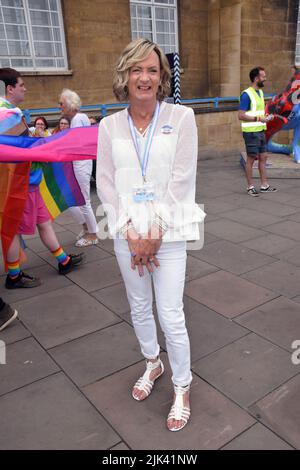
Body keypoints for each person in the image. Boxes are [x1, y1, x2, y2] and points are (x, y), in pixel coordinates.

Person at [97, 39, 205, 432]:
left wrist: (155, 233)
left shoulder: (181, 117)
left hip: (169, 233)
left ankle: (182, 385)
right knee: (139, 307)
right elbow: (106, 185)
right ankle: (152, 363)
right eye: (136, 70)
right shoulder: (108, 125)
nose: (144, 77)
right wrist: (130, 233)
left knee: (170, 313)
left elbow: (182, 179)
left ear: (161, 79)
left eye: (152, 70)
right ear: (124, 76)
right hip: (127, 235)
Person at [0, 68, 84, 289]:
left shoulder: (8, 112)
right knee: (13, 230)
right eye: (21, 85)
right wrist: (55, 145)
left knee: (44, 223)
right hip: (20, 186)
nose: (25, 89)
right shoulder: (7, 114)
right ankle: (14, 275)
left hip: (27, 183)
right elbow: (26, 149)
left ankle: (63, 260)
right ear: (9, 88)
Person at [59, 89, 98, 247]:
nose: (60, 107)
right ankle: (86, 227)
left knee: (83, 200)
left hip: (81, 164)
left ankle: (93, 234)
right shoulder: (79, 118)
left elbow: (76, 144)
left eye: (61, 104)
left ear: (69, 104)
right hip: (79, 163)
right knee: (77, 200)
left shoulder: (78, 118)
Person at [238, 66, 277, 196]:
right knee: (251, 159)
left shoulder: (260, 93)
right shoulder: (246, 95)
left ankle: (264, 185)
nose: (265, 79)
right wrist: (259, 119)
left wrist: (266, 118)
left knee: (263, 157)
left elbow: (259, 112)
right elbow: (241, 115)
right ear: (256, 78)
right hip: (251, 133)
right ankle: (250, 187)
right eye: (263, 76)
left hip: (260, 131)